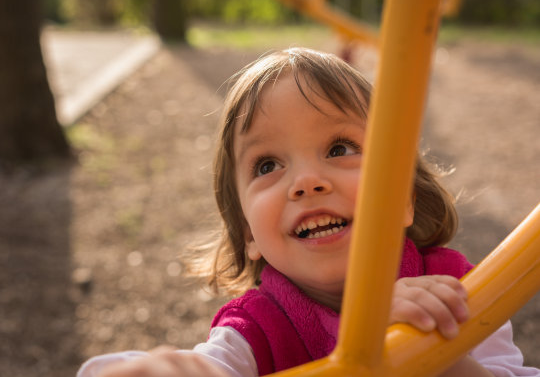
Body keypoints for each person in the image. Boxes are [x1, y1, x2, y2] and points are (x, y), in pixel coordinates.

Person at [78, 48, 539, 377]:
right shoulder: (257, 328)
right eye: (267, 165)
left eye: (340, 148)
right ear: (247, 234)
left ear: (404, 197)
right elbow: (215, 365)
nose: (306, 181)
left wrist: (436, 357)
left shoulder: (456, 290)